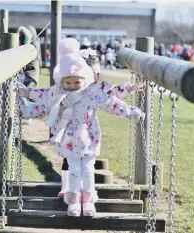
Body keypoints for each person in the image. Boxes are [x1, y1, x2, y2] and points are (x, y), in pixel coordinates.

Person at [18, 38, 145, 217]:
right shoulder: (57, 93)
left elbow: (113, 104)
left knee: (88, 170)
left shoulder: (92, 93)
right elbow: (41, 105)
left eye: (76, 82)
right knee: (74, 170)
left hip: (88, 137)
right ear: (61, 80)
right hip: (68, 139)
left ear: (84, 78)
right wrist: (23, 110)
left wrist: (133, 112)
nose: (72, 86)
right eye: (68, 82)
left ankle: (89, 201)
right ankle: (74, 201)